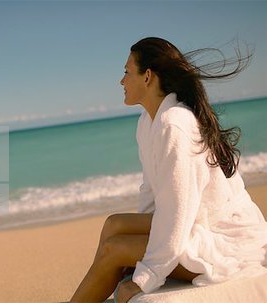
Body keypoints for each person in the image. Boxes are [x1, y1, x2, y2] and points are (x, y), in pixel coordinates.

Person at [70, 37, 267, 303]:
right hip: (193, 224)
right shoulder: (148, 122)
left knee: (114, 249)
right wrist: (136, 257)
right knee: (115, 224)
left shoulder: (175, 124)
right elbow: (151, 193)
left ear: (147, 76)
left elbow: (178, 212)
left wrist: (147, 275)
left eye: (127, 72)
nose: (121, 81)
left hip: (226, 240)